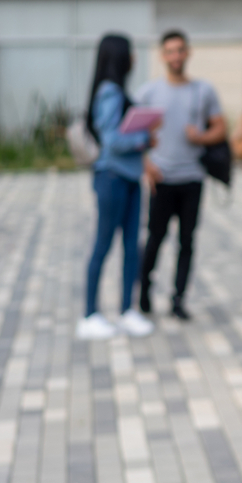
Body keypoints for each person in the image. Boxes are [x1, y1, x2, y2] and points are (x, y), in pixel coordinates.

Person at [135, 30, 226, 321]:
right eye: (170, 51)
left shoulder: (203, 90)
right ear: (163, 56)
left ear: (188, 53)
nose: (175, 56)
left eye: (180, 50)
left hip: (192, 178)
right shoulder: (148, 93)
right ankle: (145, 289)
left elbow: (220, 129)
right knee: (155, 238)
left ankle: (178, 299)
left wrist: (201, 137)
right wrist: (146, 164)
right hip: (162, 178)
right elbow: (133, 133)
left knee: (187, 241)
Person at [80, 33, 158, 341]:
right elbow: (111, 140)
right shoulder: (109, 92)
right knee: (103, 245)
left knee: (130, 248)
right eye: (132, 51)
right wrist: (144, 140)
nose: (135, 57)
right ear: (120, 56)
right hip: (112, 178)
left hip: (129, 178)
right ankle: (89, 315)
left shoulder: (116, 90)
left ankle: (128, 311)